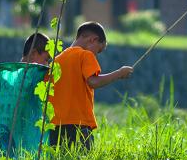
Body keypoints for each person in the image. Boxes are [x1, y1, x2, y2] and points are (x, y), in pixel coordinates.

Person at [48, 21, 133, 151]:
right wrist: (119, 73)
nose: (96, 55)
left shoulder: (56, 61)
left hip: (55, 127)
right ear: (93, 40)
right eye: (98, 51)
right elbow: (93, 81)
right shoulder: (85, 55)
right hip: (79, 124)